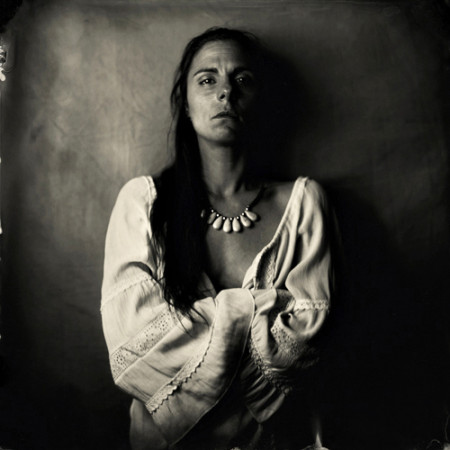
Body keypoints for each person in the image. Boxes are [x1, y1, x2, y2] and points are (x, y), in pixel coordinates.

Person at [101, 27, 334, 450]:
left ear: (261, 101)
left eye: (242, 79)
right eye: (207, 80)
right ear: (185, 104)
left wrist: (199, 335)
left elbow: (308, 343)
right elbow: (135, 347)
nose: (226, 91)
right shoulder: (143, 204)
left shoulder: (304, 203)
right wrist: (262, 311)